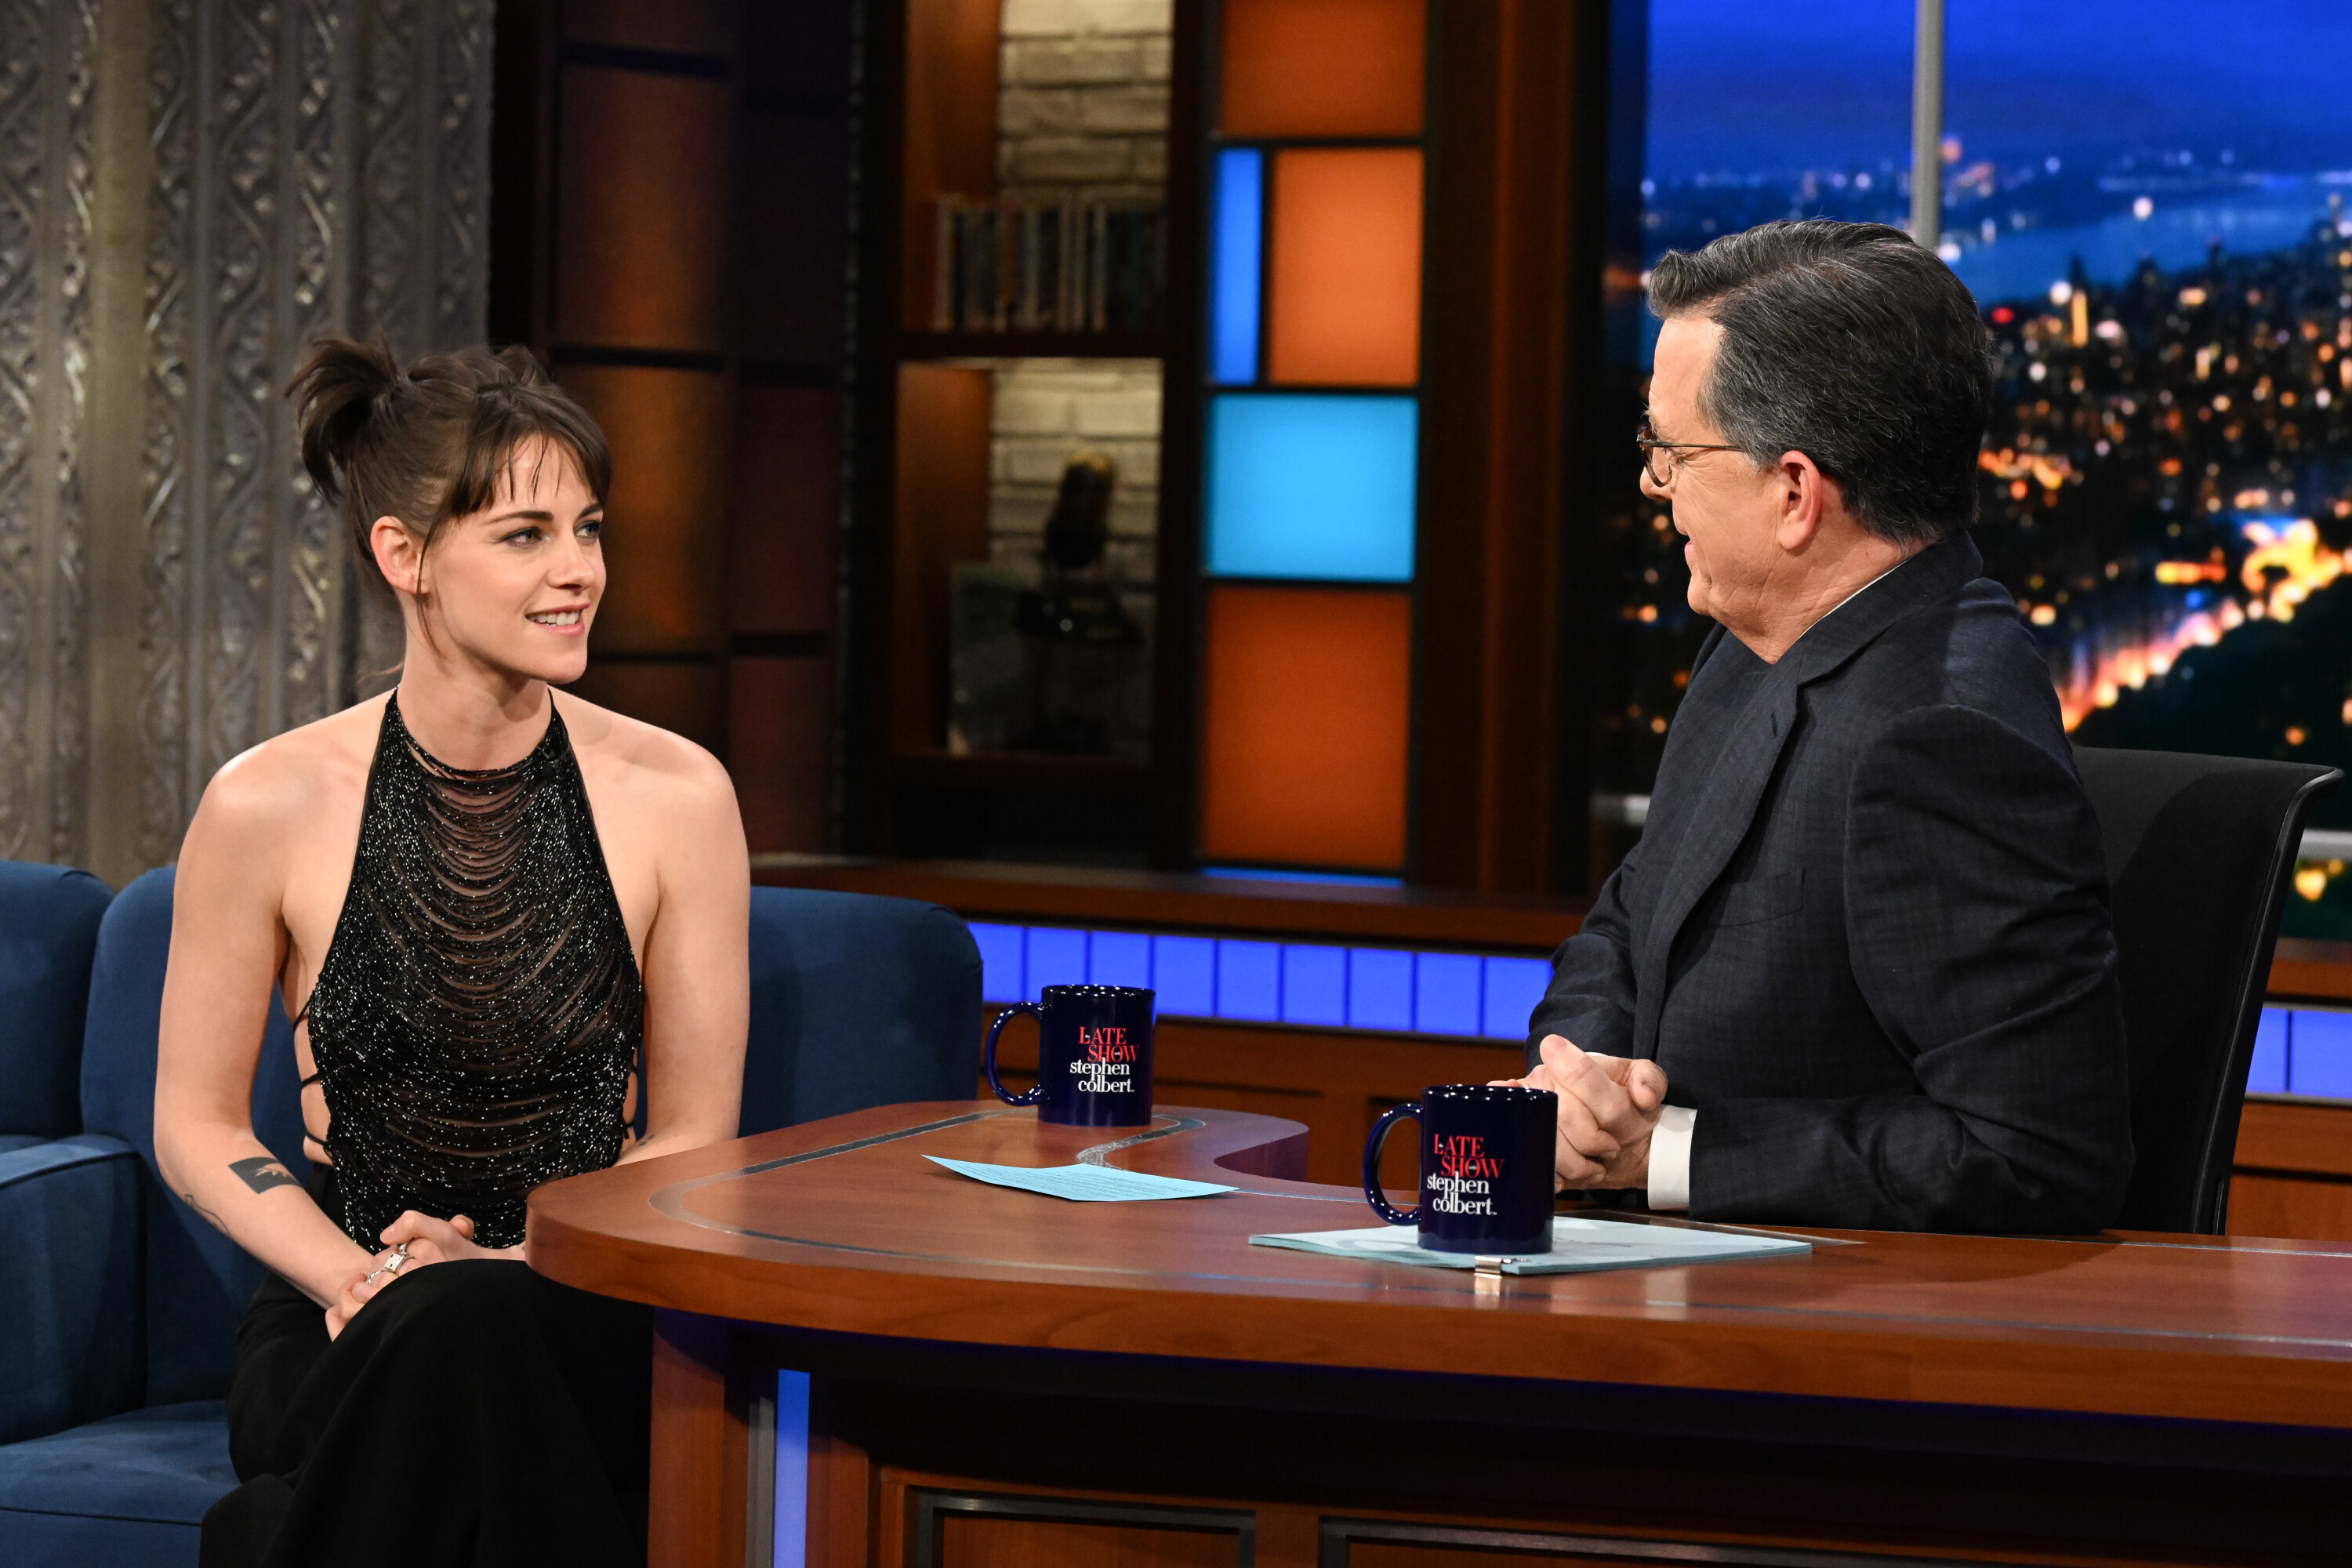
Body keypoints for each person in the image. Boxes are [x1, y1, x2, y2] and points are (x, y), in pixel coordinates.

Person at [154, 339, 750, 1566]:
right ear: (406, 555)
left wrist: (513, 1261)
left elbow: (696, 1133)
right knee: (443, 1341)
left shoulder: (681, 795)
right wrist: (359, 1282)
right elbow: (195, 1126)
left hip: (580, 1297)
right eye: (527, 535)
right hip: (339, 1305)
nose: (580, 570)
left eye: (589, 529)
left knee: (468, 1335)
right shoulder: (265, 803)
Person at [1517, 220, 2132, 1232]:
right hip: (1647, 1277)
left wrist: (1663, 1153)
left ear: (1796, 492)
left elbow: (2036, 1155)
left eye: (1672, 452)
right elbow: (1629, 920)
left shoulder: (1941, 733)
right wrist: (1577, 1083)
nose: (1652, 483)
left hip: (1822, 1313)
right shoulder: (1748, 649)